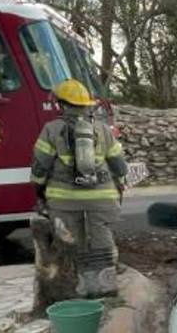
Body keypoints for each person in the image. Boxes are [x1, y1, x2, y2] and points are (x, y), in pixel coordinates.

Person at [30, 78, 128, 297]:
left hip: (63, 201)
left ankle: (76, 293)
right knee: (101, 241)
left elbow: (39, 167)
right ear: (86, 105)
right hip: (102, 200)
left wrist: (39, 192)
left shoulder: (51, 130)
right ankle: (105, 291)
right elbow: (120, 166)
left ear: (62, 104)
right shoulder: (102, 129)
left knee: (69, 243)